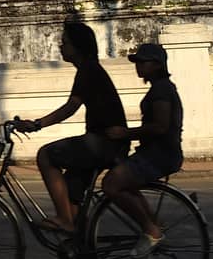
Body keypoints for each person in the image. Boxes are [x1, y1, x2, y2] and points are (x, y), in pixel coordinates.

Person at [12, 21, 127, 234]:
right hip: (105, 142)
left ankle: (64, 219)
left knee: (46, 155)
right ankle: (81, 251)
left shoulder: (88, 70)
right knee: (71, 189)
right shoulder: (89, 69)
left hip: (105, 142)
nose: (61, 47)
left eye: (65, 43)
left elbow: (70, 108)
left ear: (78, 46)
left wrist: (37, 125)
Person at [103, 42, 185, 258]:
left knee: (111, 184)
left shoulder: (161, 90)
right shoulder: (161, 88)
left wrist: (125, 134)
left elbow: (160, 126)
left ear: (156, 65)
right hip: (156, 153)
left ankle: (152, 231)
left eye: (142, 62)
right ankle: (153, 224)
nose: (138, 66)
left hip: (159, 155)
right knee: (126, 184)